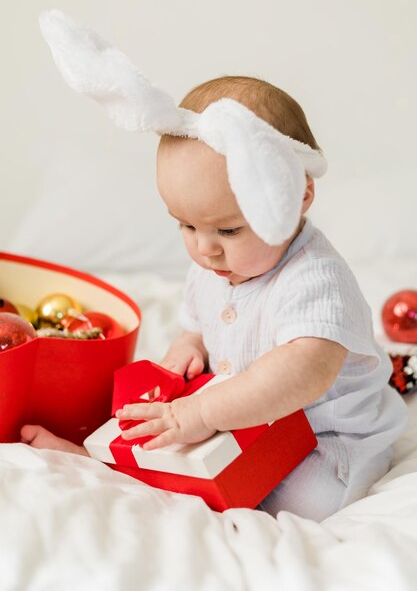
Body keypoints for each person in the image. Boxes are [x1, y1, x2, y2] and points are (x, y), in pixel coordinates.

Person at [21, 75, 408, 522]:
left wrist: (203, 410)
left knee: (305, 503)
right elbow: (197, 326)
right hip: (242, 423)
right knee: (165, 437)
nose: (206, 249)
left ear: (298, 194)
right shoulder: (212, 266)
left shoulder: (316, 278)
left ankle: (156, 486)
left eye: (228, 229)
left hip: (328, 440)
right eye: (186, 225)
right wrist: (189, 348)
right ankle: (106, 467)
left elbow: (304, 371)